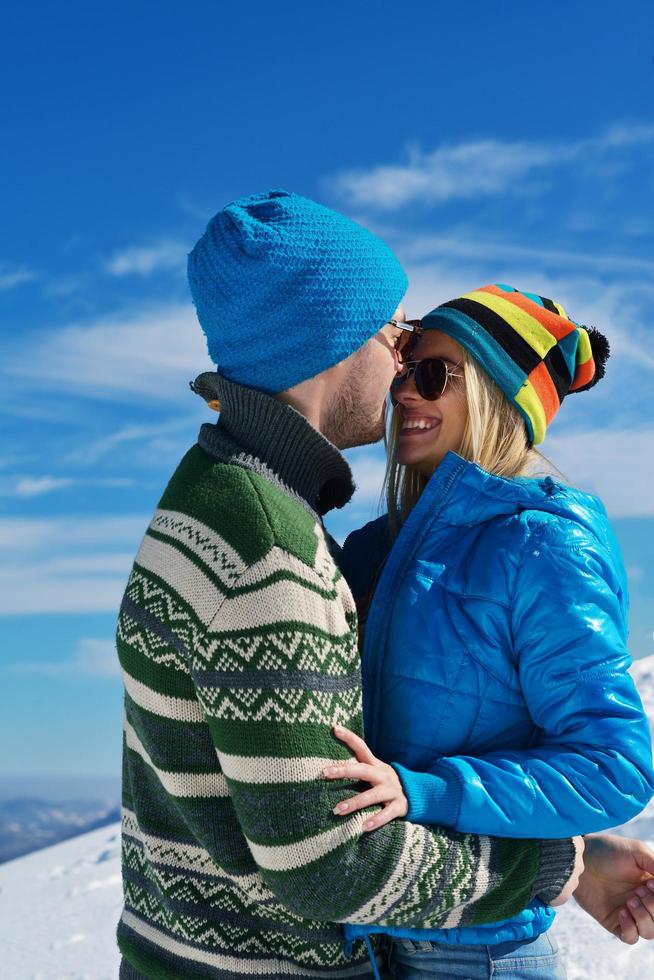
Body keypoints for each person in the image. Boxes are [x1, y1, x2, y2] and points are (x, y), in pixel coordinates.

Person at [115, 197, 581, 980]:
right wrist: (545, 869)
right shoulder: (267, 550)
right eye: (393, 328)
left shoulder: (215, 491)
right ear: (330, 341)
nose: (405, 356)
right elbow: (324, 860)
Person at [328, 285, 654, 978]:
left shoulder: (542, 546)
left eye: (434, 374)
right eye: (402, 371)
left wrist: (428, 790)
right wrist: (586, 855)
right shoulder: (370, 549)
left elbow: (613, 763)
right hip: (370, 945)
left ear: (497, 396)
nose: (405, 393)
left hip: (481, 957)